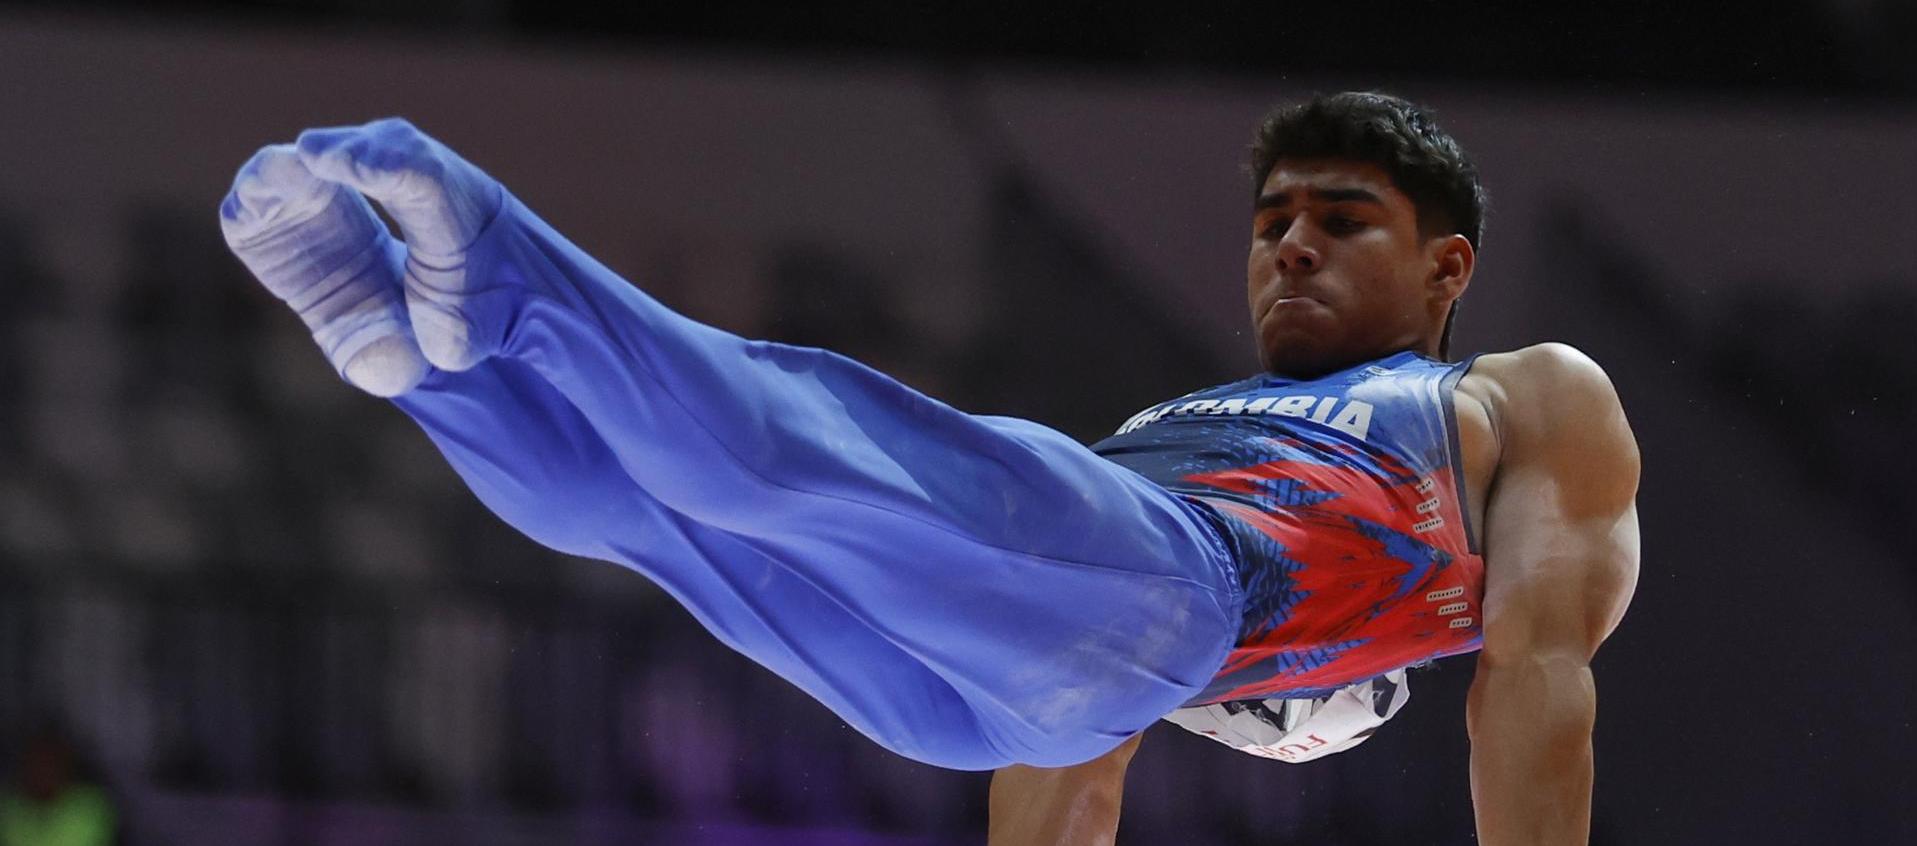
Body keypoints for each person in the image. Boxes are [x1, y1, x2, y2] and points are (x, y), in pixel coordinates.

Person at [218, 91, 1639, 845]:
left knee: (757, 476)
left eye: (1343, 218)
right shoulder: (1169, 426)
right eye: (1270, 219)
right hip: (1060, 664)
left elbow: (1535, 674)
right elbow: (1071, 778)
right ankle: (411, 349)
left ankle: (496, 285)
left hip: (1168, 605)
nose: (1290, 245)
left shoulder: (1521, 394)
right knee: (683, 507)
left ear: (1449, 265)